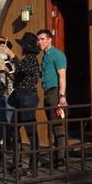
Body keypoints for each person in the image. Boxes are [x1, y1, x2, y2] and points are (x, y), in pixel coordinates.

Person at [11, 32, 41, 175]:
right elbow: (19, 73)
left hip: (27, 98)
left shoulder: (30, 59)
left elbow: (21, 69)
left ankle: (33, 165)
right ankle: (17, 162)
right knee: (13, 127)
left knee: (30, 131)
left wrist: (11, 56)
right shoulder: (29, 60)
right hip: (22, 97)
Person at [37, 29, 67, 166]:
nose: (39, 42)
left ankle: (60, 158)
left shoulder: (57, 55)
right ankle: (57, 155)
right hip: (47, 92)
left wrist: (62, 96)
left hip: (55, 93)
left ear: (50, 39)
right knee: (52, 124)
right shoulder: (45, 56)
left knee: (57, 125)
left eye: (42, 39)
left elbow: (62, 76)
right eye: (38, 40)